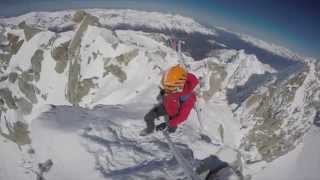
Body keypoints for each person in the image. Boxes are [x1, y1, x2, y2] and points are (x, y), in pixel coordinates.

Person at [140, 64, 199, 136]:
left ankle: (171, 133)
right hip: (165, 106)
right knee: (148, 117)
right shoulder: (174, 83)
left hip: (174, 115)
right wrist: (164, 92)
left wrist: (166, 124)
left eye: (169, 88)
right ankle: (150, 130)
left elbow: (182, 117)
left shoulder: (188, 98)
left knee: (171, 128)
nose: (167, 90)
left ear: (178, 87)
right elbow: (169, 90)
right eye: (166, 87)